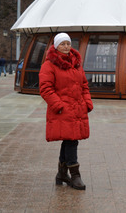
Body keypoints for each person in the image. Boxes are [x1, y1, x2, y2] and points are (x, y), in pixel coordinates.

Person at [39, 33, 93, 190]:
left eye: (68, 43)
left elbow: (84, 85)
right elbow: (45, 89)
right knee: (72, 141)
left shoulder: (76, 64)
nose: (66, 46)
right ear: (56, 46)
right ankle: (75, 175)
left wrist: (87, 103)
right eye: (62, 44)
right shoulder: (49, 65)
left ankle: (62, 174)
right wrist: (59, 106)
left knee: (69, 139)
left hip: (77, 109)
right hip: (62, 110)